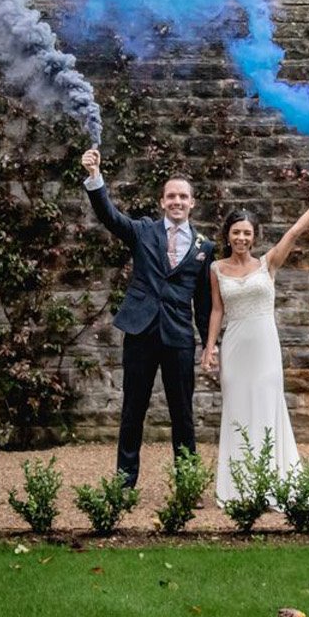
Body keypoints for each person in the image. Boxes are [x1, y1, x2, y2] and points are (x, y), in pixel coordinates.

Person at [81, 148, 215, 488]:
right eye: (171, 196)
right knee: (133, 410)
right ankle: (125, 483)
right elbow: (110, 216)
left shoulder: (205, 247)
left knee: (182, 414)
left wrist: (209, 345)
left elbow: (203, 301)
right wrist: (96, 177)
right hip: (140, 331)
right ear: (162, 202)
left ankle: (186, 483)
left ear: (192, 203)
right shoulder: (142, 231)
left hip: (179, 337)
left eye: (183, 196)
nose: (177, 201)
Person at [202, 182, 309, 504]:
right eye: (236, 232)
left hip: (265, 347)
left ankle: (271, 479)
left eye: (247, 233)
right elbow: (217, 310)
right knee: (237, 408)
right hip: (235, 347)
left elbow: (292, 234)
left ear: (254, 236)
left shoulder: (269, 264)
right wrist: (210, 347)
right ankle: (239, 485)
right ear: (228, 235)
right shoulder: (216, 269)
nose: (241, 239)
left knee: (266, 403)